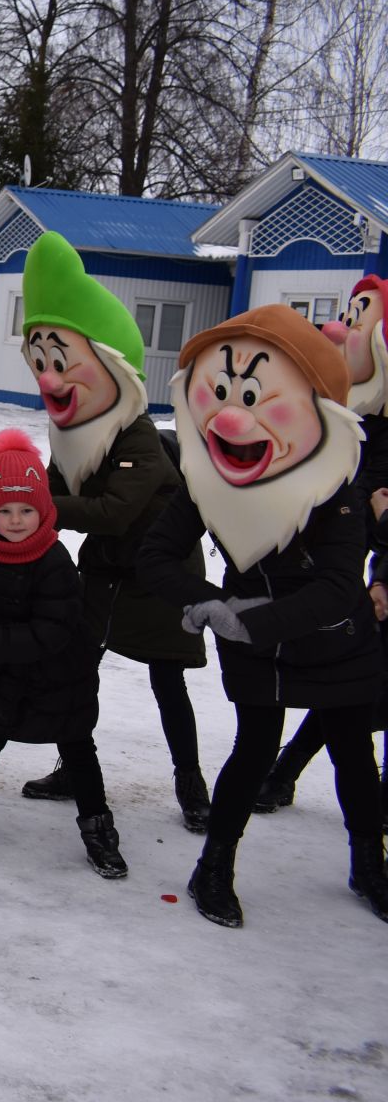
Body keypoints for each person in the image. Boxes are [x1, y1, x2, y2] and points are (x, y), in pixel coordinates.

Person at [139, 305, 388, 927]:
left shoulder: (336, 482)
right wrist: (208, 603)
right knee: (254, 749)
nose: (231, 415)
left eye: (255, 395)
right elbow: (156, 557)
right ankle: (213, 868)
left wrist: (251, 619)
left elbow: (336, 586)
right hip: (253, 641)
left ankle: (369, 864)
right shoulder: (210, 482)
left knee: (353, 751)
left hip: (338, 637)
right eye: (221, 394)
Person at [14, 233, 212, 831]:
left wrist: (42, 510)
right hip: (102, 577)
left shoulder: (139, 440)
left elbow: (110, 512)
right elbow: (56, 493)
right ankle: (74, 767)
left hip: (158, 579)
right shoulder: (71, 436)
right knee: (78, 668)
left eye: (62, 361)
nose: (50, 378)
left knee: (167, 684)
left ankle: (192, 786)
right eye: (40, 362)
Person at [0, 429, 125, 877]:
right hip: (4, 674)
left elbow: (51, 633)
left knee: (78, 748)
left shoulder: (55, 562)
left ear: (43, 510)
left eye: (26, 510)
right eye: (4, 510)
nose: (16, 520)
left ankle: (98, 828)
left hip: (62, 675)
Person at [257, 275, 388, 811]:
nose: (347, 329)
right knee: (352, 691)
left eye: (362, 318)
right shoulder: (351, 425)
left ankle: (287, 773)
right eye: (351, 315)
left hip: (365, 585)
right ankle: (286, 773)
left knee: (357, 693)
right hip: (345, 589)